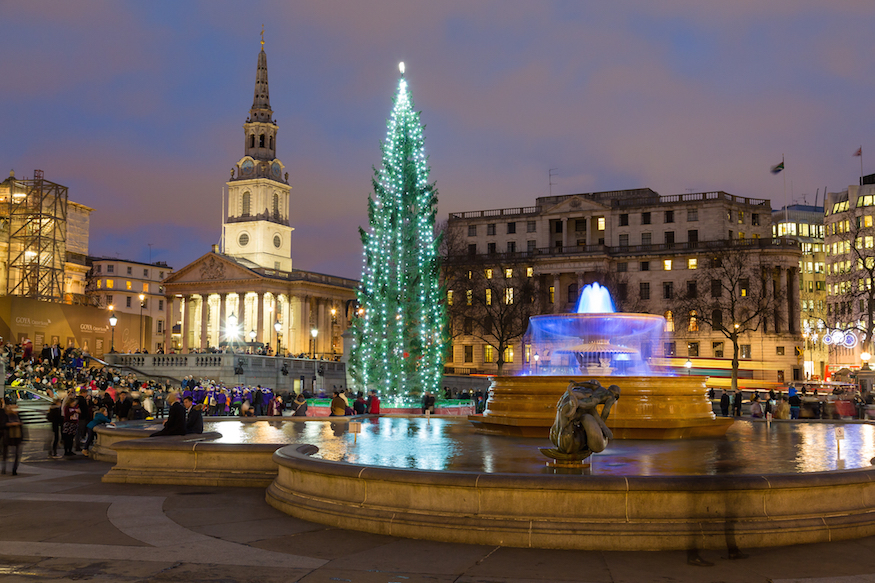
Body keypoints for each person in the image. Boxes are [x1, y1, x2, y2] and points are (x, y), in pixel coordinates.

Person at [1, 403, 24, 475]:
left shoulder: (18, 416)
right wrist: (12, 424)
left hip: (17, 437)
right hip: (8, 437)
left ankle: (14, 469)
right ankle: (4, 468)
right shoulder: (6, 415)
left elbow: (22, 425)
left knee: (16, 454)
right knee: (5, 453)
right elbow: (2, 424)